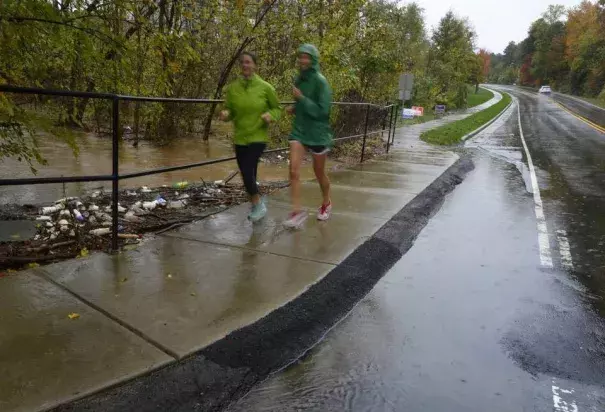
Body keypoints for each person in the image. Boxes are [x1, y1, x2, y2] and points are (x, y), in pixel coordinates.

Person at [220, 52, 281, 222]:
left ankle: (258, 203)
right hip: (240, 138)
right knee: (250, 173)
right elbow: (230, 109)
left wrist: (271, 115)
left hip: (258, 136)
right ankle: (257, 206)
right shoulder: (233, 88)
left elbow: (277, 108)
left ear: (255, 65)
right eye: (243, 63)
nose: (245, 65)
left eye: (248, 62)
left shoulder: (265, 87)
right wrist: (226, 114)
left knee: (246, 171)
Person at [283, 44, 333, 229]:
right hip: (300, 131)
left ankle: (326, 202)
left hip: (318, 133)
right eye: (300, 57)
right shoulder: (299, 79)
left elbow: (323, 111)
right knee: (294, 171)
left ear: (313, 60)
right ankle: (297, 212)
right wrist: (295, 108)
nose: (303, 60)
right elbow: (302, 103)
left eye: (306, 57)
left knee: (319, 173)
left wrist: (302, 100)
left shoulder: (321, 81)